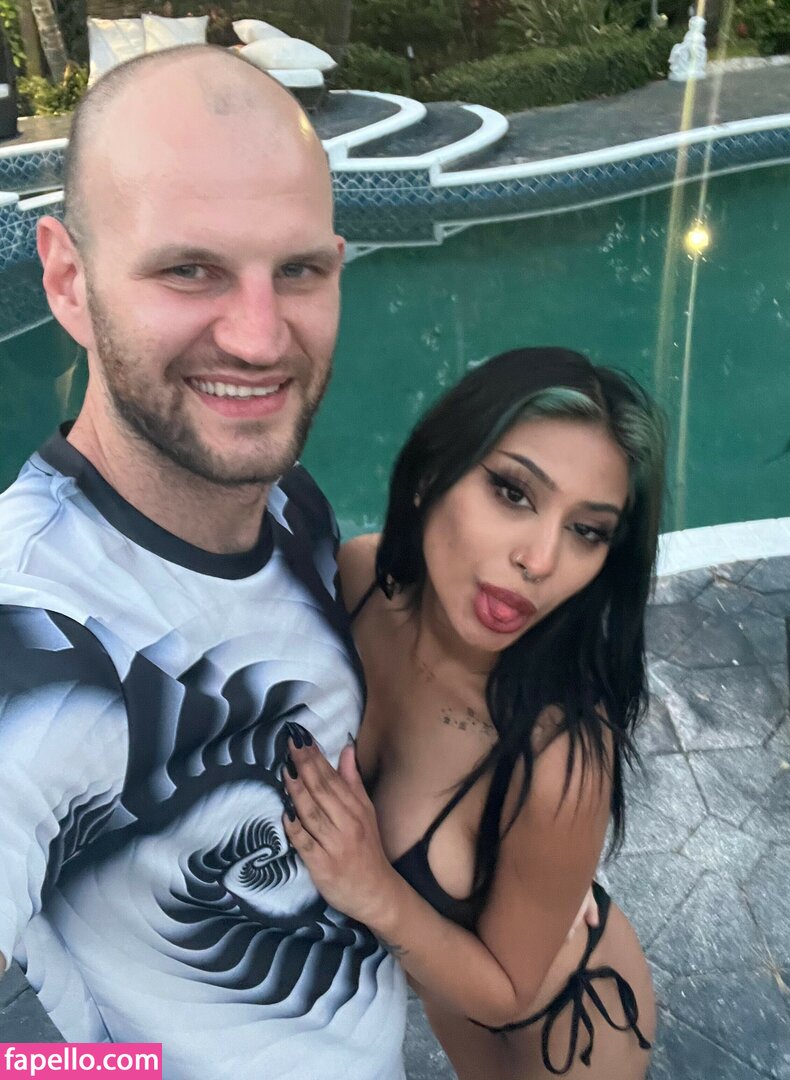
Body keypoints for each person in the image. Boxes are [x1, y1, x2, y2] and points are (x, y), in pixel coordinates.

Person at [0, 46, 408, 1079]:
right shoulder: (38, 635)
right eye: (191, 269)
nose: (262, 340)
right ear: (69, 280)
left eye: (300, 271)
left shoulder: (283, 497)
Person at [280, 347, 665, 1079]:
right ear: (432, 474)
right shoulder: (359, 581)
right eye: (513, 493)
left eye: (588, 531)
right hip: (450, 1001)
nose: (541, 559)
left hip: (566, 1033)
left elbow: (510, 990)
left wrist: (375, 889)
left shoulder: (559, 758)